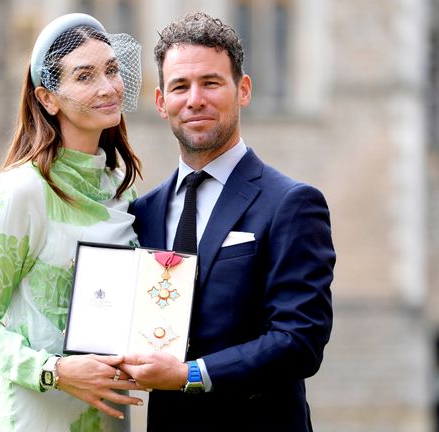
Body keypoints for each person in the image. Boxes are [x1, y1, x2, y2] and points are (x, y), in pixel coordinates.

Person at [121, 12, 336, 431]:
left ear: (243, 90)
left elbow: (300, 342)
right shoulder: (142, 213)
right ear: (161, 102)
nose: (195, 99)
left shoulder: (291, 203)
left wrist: (191, 375)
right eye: (180, 86)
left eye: (211, 83)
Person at [0, 13, 146, 431]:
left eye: (112, 70)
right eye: (84, 76)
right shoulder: (22, 190)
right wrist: (55, 371)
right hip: (37, 415)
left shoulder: (121, 190)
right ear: (47, 99)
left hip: (111, 414)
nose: (108, 87)